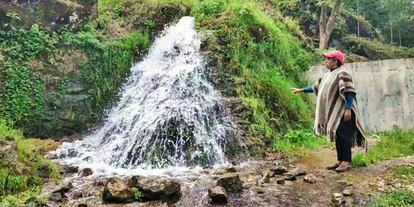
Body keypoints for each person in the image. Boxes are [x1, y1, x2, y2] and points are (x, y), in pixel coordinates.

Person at [292, 50, 366, 172]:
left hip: (344, 111)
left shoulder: (343, 73)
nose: (325, 61)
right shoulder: (327, 76)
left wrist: (348, 109)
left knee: (344, 136)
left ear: (335, 61)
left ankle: (346, 162)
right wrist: (300, 90)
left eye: (328, 59)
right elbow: (315, 87)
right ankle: (340, 160)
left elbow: (350, 92)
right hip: (336, 113)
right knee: (338, 136)